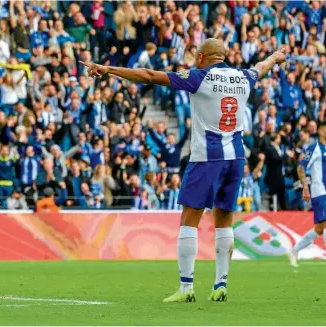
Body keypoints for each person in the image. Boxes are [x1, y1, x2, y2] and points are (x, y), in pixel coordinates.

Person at [81, 39, 286, 302]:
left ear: (201, 58)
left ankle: (186, 287)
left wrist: (108, 69)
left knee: (189, 219)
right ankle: (220, 284)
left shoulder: (199, 78)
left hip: (206, 158)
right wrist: (276, 56)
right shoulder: (243, 77)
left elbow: (149, 76)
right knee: (224, 219)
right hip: (235, 158)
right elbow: (262, 66)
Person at [287, 121, 326, 267]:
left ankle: (294, 250)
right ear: (321, 131)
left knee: (320, 229)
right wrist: (305, 187)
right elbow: (301, 167)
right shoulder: (313, 148)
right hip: (319, 190)